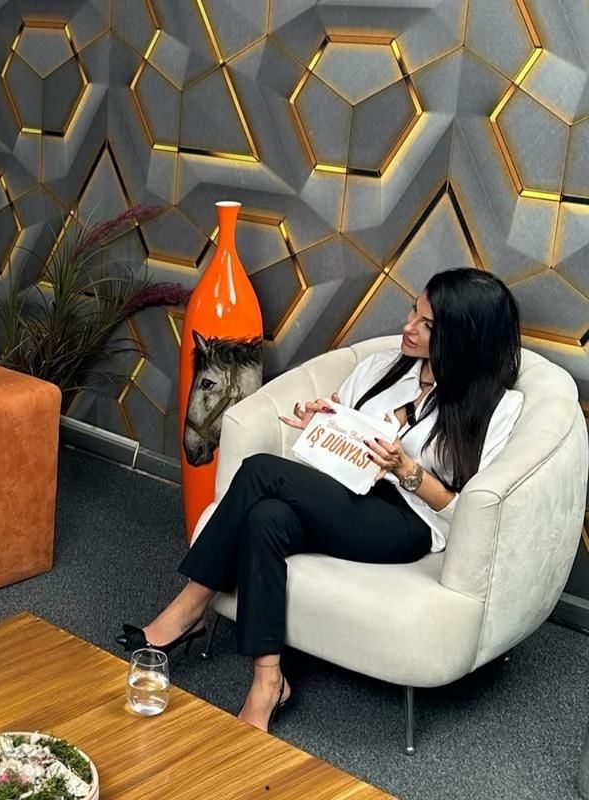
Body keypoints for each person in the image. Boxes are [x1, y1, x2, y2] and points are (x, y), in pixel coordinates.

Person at [117, 268, 524, 732]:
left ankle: (190, 607)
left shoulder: (495, 407)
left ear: (464, 337)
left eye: (427, 325)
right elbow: (340, 439)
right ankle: (269, 683)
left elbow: (468, 511)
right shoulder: (381, 367)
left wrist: (407, 471)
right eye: (414, 310)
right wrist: (320, 422)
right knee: (266, 517)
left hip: (407, 520)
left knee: (261, 470)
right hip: (343, 492)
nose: (408, 326)